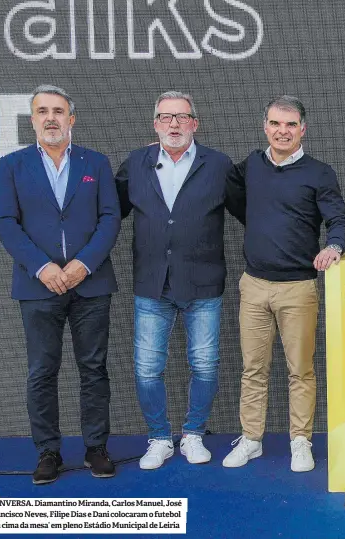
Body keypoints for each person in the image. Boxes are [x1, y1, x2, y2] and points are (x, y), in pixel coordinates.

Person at [0, 85, 120, 484]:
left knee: (94, 369)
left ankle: (96, 448)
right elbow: (5, 223)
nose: (51, 117)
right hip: (38, 287)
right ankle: (47, 452)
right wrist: (41, 267)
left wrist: (83, 263)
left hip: (91, 284)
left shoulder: (95, 163)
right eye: (43, 111)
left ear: (71, 118)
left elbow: (110, 218)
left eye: (59, 111)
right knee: (42, 372)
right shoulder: (12, 165)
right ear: (32, 119)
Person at [224, 95, 345, 472]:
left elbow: (339, 220)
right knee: (253, 370)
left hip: (298, 289)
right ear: (265, 127)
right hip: (254, 286)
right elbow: (224, 192)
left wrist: (334, 245)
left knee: (301, 370)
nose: (283, 131)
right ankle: (251, 440)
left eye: (290, 125)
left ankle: (301, 441)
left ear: (302, 129)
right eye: (276, 124)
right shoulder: (250, 166)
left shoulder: (320, 173)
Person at [115, 91, 233, 470]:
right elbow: (107, 210)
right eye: (166, 118)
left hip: (203, 283)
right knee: (148, 367)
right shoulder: (137, 163)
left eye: (182, 117)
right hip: (152, 284)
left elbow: (254, 210)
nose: (174, 125)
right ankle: (160, 438)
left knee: (205, 364)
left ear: (195, 124)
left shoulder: (218, 164)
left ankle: (194, 434)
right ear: (155, 124)